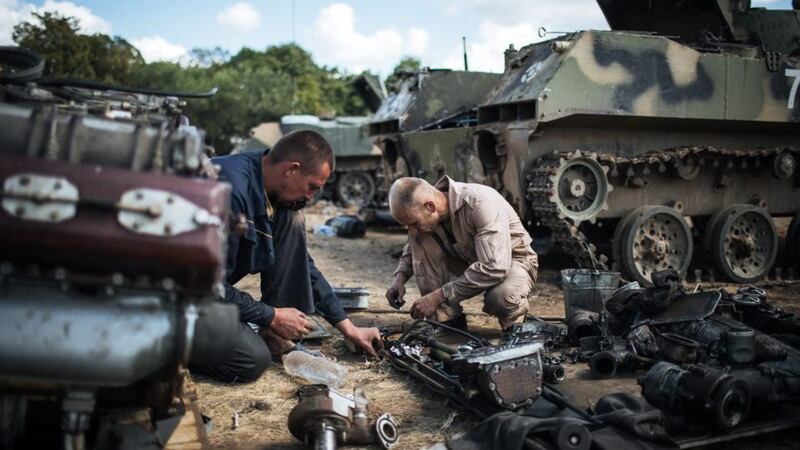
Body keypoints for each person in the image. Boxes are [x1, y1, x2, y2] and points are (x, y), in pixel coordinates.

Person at [191, 130, 382, 382]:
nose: (311, 196)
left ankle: (274, 336)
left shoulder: (271, 192)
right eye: (312, 187)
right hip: (173, 297)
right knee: (250, 359)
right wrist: (270, 315)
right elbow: (203, 285)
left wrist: (347, 327)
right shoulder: (230, 194)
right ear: (291, 169)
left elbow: (302, 264)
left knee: (293, 218)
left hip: (207, 290)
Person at [385, 176, 538, 330]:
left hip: (511, 261)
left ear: (430, 206)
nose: (411, 230)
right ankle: (448, 323)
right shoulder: (424, 217)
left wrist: (438, 297)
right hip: (468, 260)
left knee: (501, 298)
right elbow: (412, 248)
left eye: (413, 223)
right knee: (421, 238)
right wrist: (399, 279)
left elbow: (495, 268)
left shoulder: (480, 203)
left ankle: (515, 328)